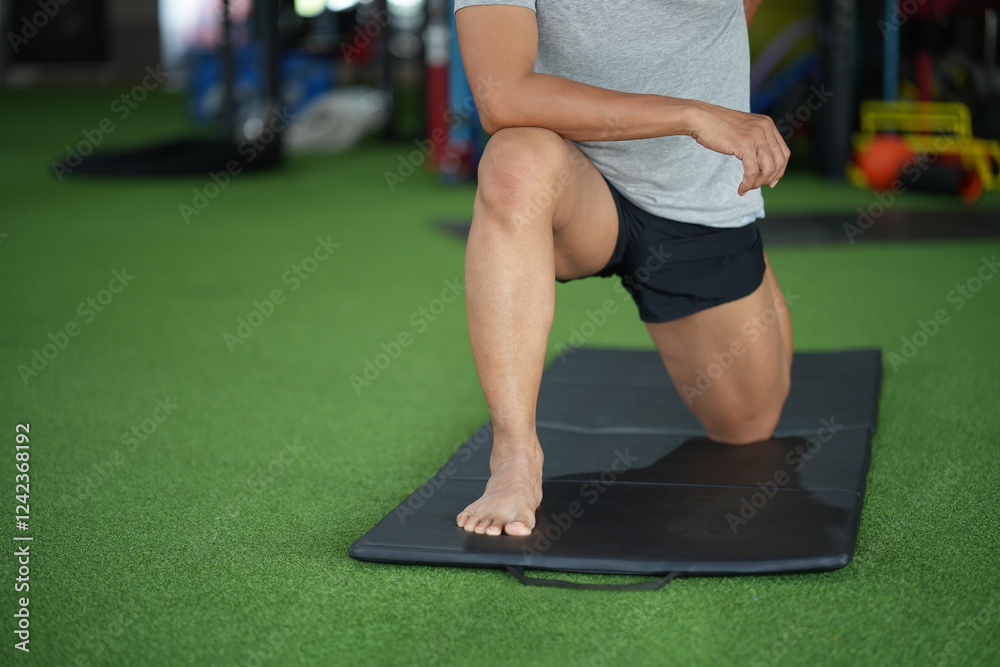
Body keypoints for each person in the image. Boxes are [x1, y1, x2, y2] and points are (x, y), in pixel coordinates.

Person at [453, 0, 793, 537]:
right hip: (579, 187)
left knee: (749, 427)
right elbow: (503, 96)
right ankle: (515, 455)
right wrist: (691, 113)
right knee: (514, 160)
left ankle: (745, 257)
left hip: (696, 199)